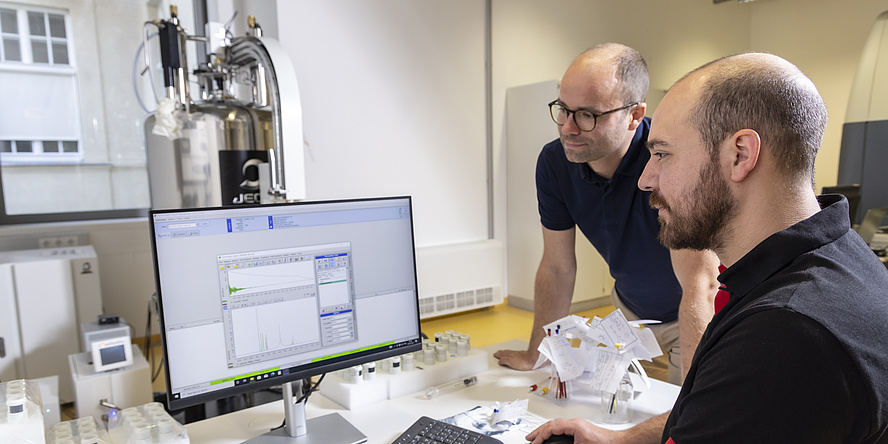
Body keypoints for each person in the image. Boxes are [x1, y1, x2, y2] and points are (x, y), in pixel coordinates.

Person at [527, 52, 888, 443]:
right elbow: (707, 413)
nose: (646, 179)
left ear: (740, 155)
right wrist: (622, 439)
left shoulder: (781, 336)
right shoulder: (833, 263)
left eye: (663, 154)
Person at [493, 43, 721, 385]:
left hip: (691, 313)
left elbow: (700, 285)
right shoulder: (556, 162)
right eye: (563, 110)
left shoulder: (672, 161)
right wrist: (535, 353)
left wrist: (691, 402)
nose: (569, 127)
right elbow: (557, 266)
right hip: (628, 313)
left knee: (678, 421)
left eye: (588, 115)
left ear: (634, 115)